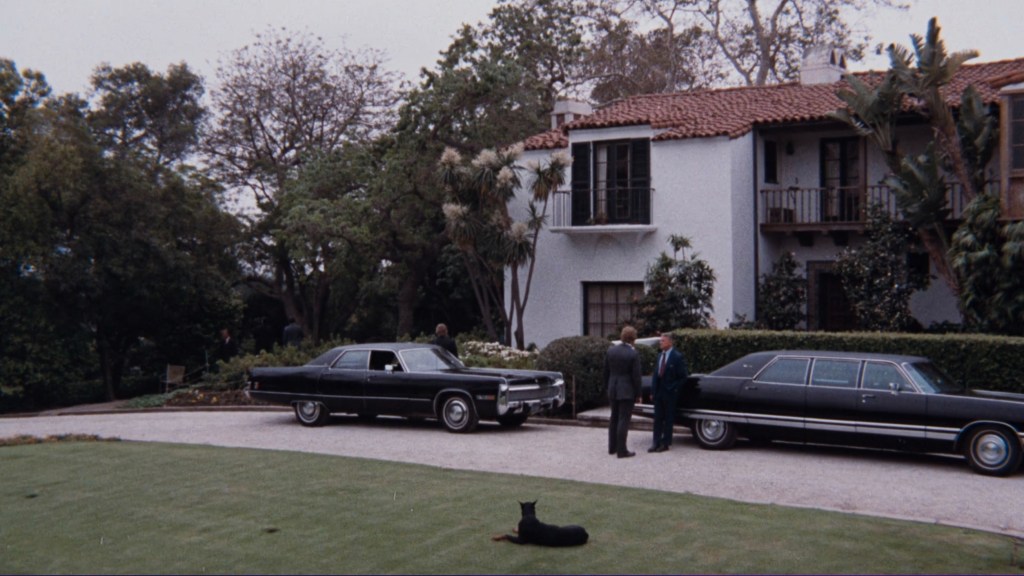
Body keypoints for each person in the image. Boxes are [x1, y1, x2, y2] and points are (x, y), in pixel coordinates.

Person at [605, 325, 642, 458]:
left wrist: (607, 387)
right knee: (623, 420)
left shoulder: (611, 351)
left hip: (613, 388)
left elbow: (606, 372)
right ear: (633, 338)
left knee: (613, 418)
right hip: (626, 390)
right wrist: (638, 393)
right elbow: (636, 376)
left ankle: (612, 447)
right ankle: (622, 450)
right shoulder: (633, 353)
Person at [648, 333, 689, 453]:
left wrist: (674, 388)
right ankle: (655, 442)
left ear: (670, 342)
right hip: (659, 392)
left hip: (670, 393)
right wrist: (653, 391)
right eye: (660, 340)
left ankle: (666, 443)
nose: (660, 343)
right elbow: (656, 375)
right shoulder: (660, 355)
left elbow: (683, 376)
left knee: (668, 418)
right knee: (657, 418)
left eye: (663, 341)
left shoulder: (677, 357)